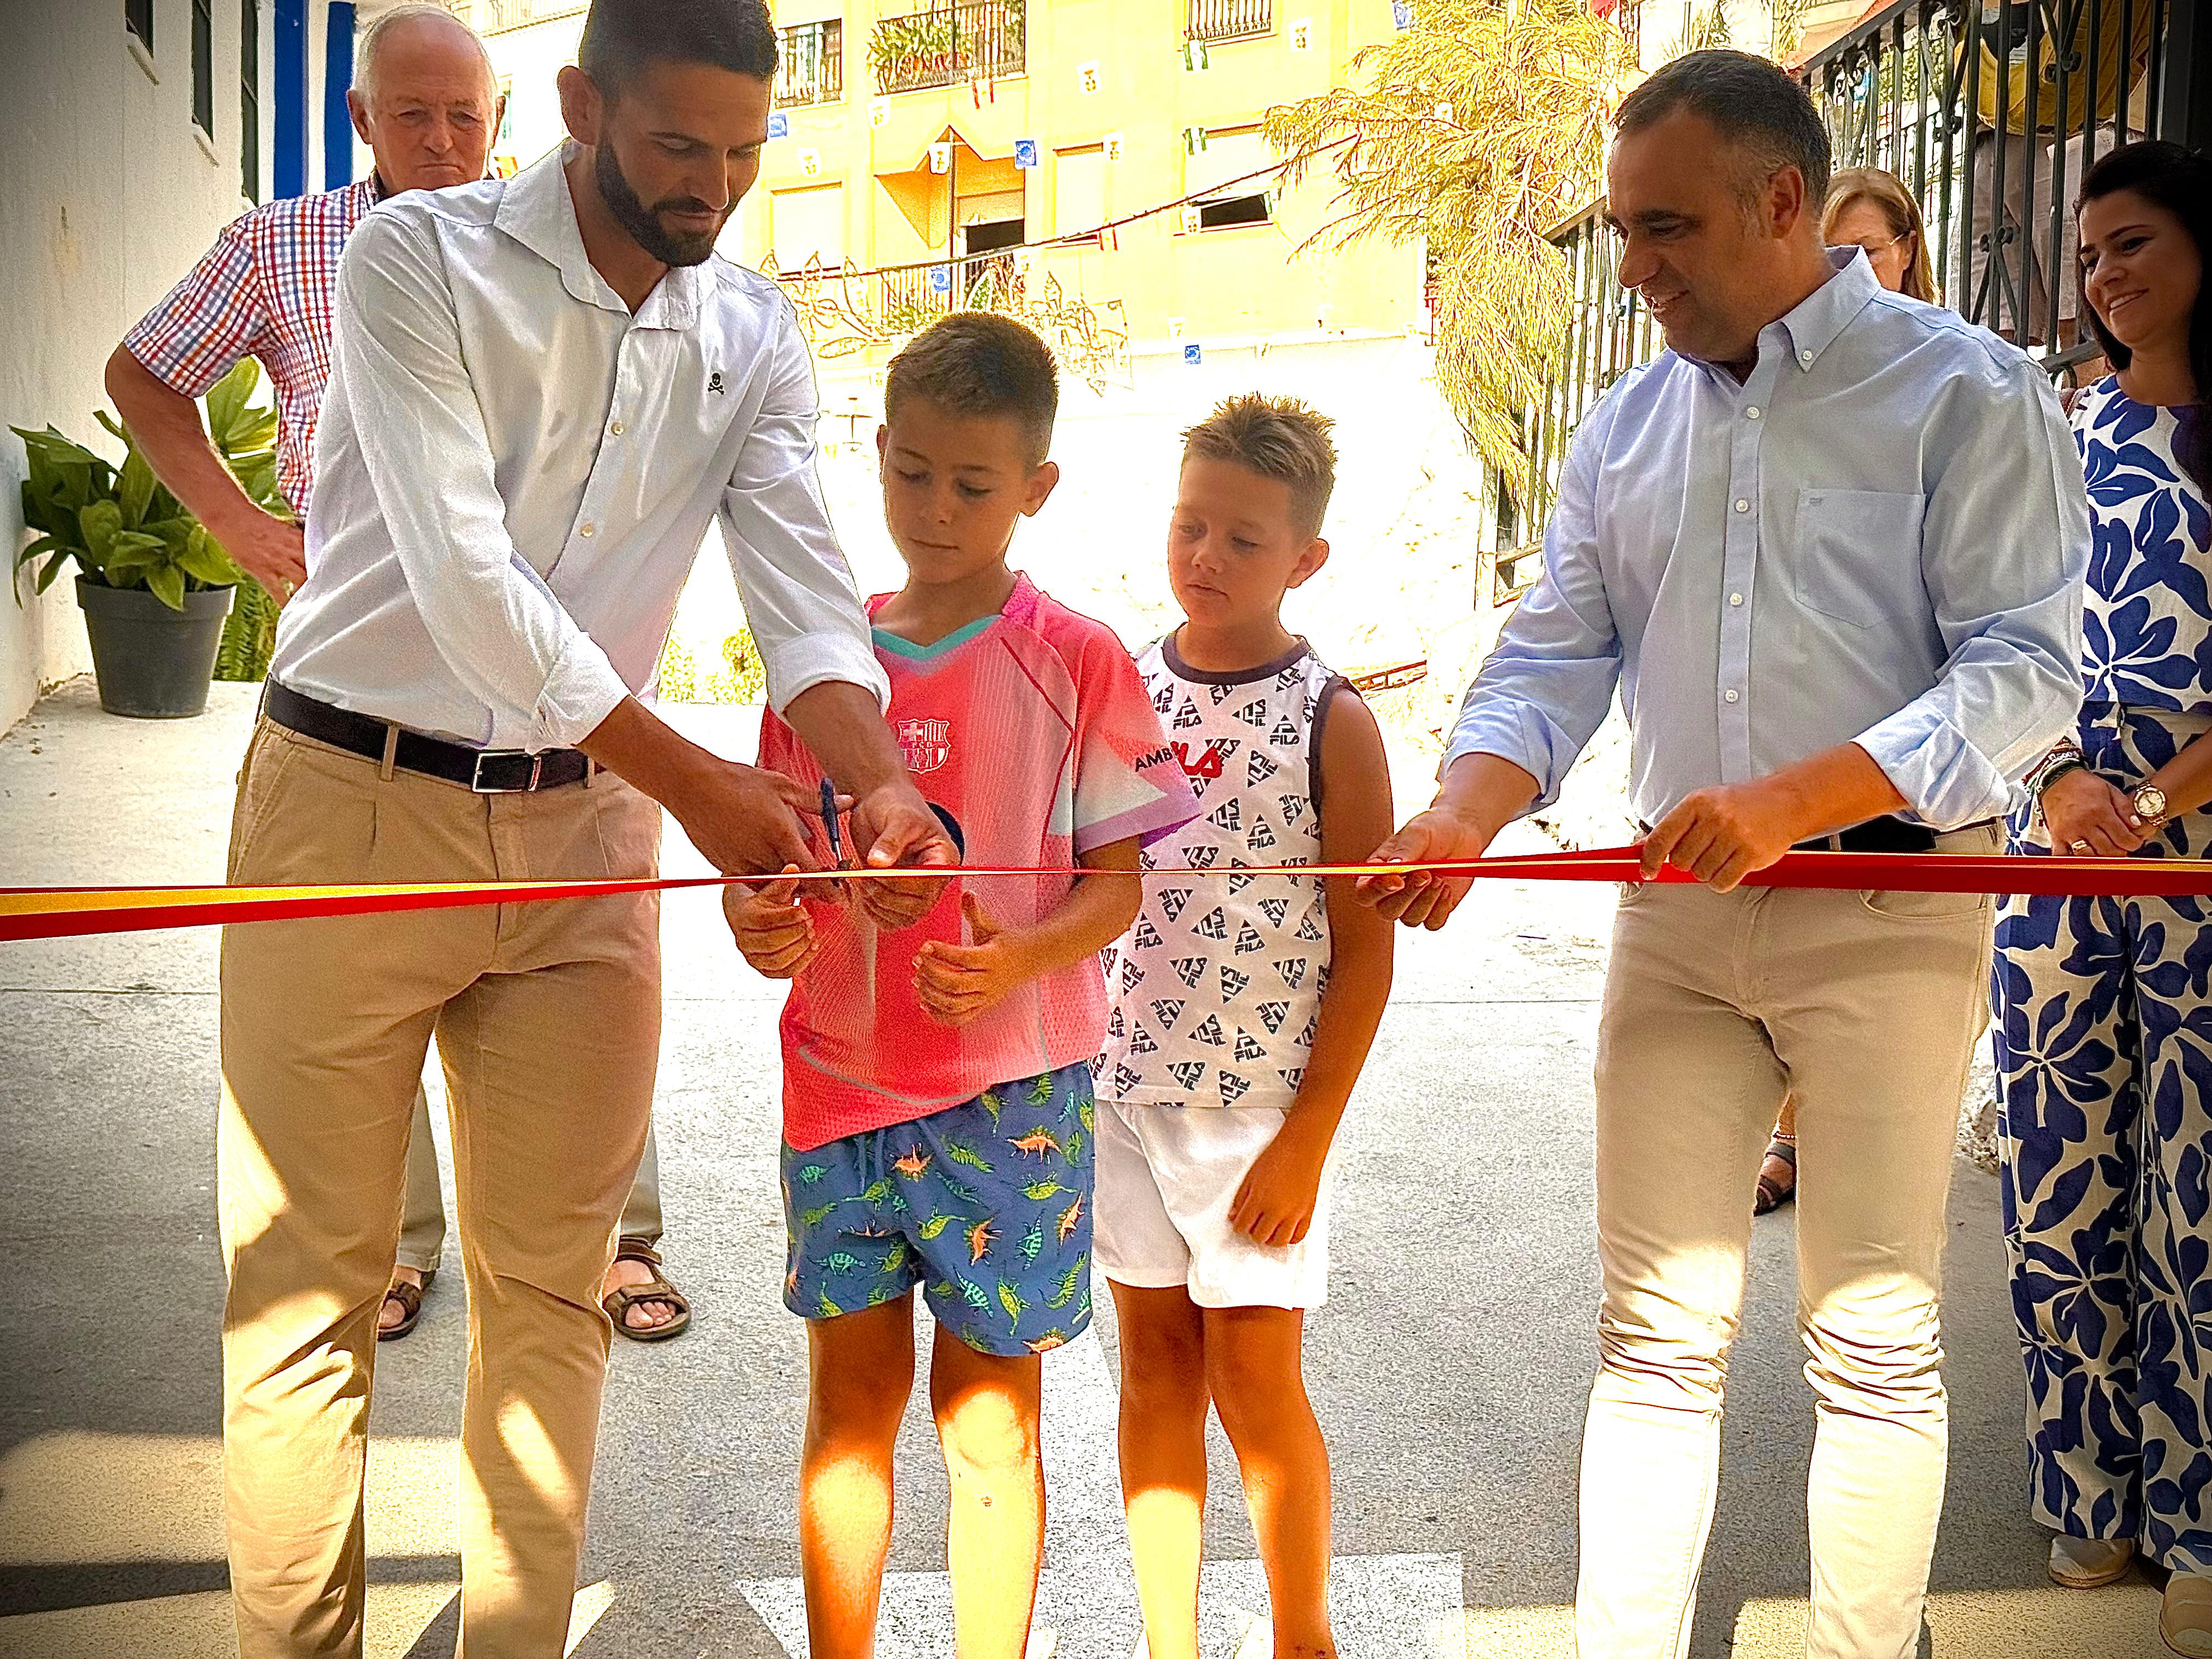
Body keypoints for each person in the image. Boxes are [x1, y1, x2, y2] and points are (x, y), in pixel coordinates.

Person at [213, 2, 956, 1652]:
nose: (714, 190)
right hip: (350, 811)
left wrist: (880, 779)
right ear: (580, 106)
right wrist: (702, 787)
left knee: (553, 1301)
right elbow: (470, 590)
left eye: (749, 155)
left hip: (582, 850)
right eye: (681, 147)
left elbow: (809, 602)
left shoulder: (750, 332)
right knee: (302, 1310)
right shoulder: (420, 260)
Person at [1357, 50, 2089, 1659]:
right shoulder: (1626, 426)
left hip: (1895, 901)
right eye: (1622, 228)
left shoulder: (1965, 390)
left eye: (1665, 226)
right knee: (1651, 1339)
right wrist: (1460, 811)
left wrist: (1799, 800)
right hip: (1679, 916)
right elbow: (1556, 651)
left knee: (1879, 1340)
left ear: (1781, 202)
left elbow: (2030, 667)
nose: (1634, 268)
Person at [105, 2, 689, 1345]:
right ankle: (399, 1250)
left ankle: (609, 1240)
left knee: (585, 959)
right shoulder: (285, 243)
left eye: (464, 117)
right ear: (363, 119)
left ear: (503, 124)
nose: (439, 138)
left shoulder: (566, 256)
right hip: (365, 692)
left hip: (556, 688)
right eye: (410, 114)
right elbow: (146, 375)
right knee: (373, 994)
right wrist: (243, 526)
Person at [724, 313, 1196, 1659]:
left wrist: (1021, 956)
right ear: (875, 455)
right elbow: (779, 867)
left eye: (972, 484)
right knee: (848, 1416)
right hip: (836, 1085)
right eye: (911, 471)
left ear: (1036, 488)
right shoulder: (826, 665)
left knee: (990, 1433)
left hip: (1015, 1103)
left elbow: (1119, 887)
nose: (935, 508)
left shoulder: (1079, 658)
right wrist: (765, 920)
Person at [1092, 394, 1395, 1659]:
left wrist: (1309, 1137)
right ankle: (1173, 1641)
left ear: (1307, 559)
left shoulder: (1337, 720)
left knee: (1257, 1384)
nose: (1206, 558)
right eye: (1189, 527)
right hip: (1117, 1099)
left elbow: (1367, 952)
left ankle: (1299, 1638)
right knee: (1152, 1373)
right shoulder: (1115, 688)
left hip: (1259, 1113)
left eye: (1244, 541)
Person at [1991, 139, 2212, 1657]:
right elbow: (1997, 628)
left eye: (2130, 243)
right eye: (2089, 256)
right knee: (2061, 1172)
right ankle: (2090, 1490)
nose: (2104, 277)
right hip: (2053, 849)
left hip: (2195, 858)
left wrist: (2154, 803)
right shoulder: (2061, 429)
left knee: (2195, 1192)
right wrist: (2067, 780)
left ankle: (2198, 1513)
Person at [1751, 162, 1947, 1217]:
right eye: (1839, 248)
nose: (1853, 267)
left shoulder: (1959, 383)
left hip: (1900, 807)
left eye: (1871, 248)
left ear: (1907, 251)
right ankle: (1788, 1137)